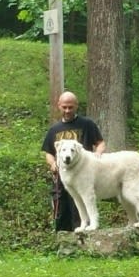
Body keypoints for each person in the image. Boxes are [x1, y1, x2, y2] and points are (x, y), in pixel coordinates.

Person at [41, 91, 106, 231]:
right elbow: (48, 153)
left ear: (76, 106)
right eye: (64, 107)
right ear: (59, 106)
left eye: (70, 107)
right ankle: (63, 240)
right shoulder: (54, 130)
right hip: (62, 176)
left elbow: (100, 143)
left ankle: (82, 237)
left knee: (80, 204)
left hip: (83, 174)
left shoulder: (87, 124)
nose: (67, 110)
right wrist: (52, 164)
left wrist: (98, 154)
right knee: (61, 208)